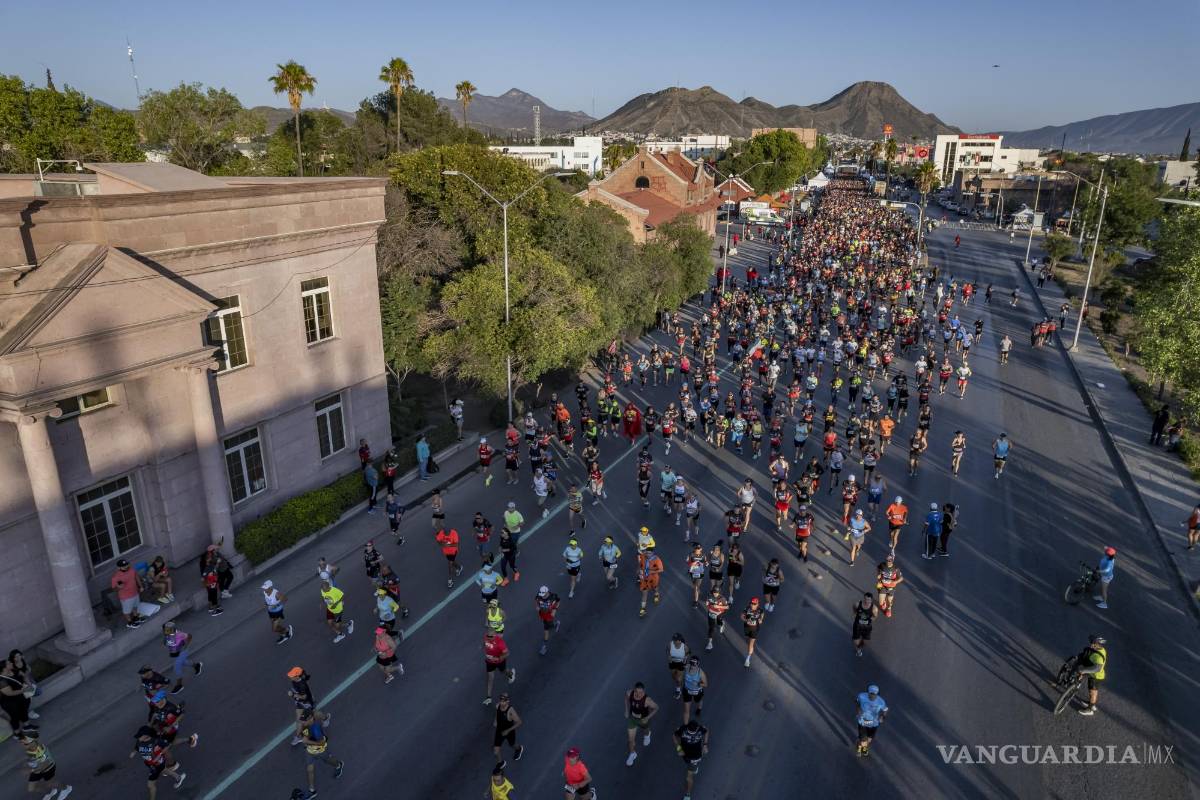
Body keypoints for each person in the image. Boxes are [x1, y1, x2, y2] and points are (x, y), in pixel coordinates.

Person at [130, 725, 186, 799]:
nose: (138, 737)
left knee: (150, 785)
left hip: (157, 764)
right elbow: (137, 747)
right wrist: (134, 752)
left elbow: (167, 746)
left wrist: (159, 755)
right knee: (163, 771)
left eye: (140, 736)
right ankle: (178, 778)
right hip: (149, 763)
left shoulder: (156, 741)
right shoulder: (139, 741)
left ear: (146, 736)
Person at [297, 709, 344, 797]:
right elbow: (301, 734)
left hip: (320, 750)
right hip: (309, 751)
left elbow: (322, 742)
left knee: (328, 760)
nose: (302, 722)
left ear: (310, 719)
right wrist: (301, 735)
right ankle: (312, 790)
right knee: (310, 770)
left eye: (304, 720)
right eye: (302, 720)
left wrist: (307, 742)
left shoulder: (316, 729)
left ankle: (339, 764)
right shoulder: (304, 724)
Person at [18, 729, 72, 799]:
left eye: (25, 743)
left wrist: (30, 770)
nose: (23, 745)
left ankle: (66, 789)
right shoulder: (31, 749)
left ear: (32, 742)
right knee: (32, 788)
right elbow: (31, 759)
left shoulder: (39, 751)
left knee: (51, 783)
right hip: (37, 768)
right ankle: (50, 792)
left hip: (48, 768)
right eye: (22, 743)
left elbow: (45, 764)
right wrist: (27, 765)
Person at [673, 718, 709, 800]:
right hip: (685, 754)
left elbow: (706, 731)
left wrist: (705, 744)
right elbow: (674, 736)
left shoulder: (698, 728)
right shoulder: (683, 729)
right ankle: (695, 767)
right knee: (689, 765)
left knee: (688, 778)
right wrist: (679, 748)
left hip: (695, 757)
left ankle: (687, 794)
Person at [624, 682, 659, 766]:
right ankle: (632, 754)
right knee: (630, 740)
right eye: (636, 692)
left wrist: (647, 718)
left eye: (641, 692)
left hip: (643, 720)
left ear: (644, 691)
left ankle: (647, 735)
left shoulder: (647, 700)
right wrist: (626, 710)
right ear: (634, 690)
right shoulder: (629, 693)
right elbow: (625, 697)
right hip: (632, 719)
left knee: (646, 730)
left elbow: (656, 707)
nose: (639, 694)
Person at [161, 622, 202, 694]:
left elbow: (189, 636)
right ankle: (197, 665)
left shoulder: (179, 634)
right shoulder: (168, 634)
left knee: (177, 667)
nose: (165, 631)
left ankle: (179, 685)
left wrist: (185, 646)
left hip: (182, 652)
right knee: (184, 662)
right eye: (164, 630)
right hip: (176, 653)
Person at [1075, 634, 1108, 716]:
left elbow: (1097, 669)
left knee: (1093, 692)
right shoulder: (1101, 649)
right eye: (1092, 643)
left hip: (1096, 676)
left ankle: (1090, 710)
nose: (1091, 645)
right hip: (1093, 674)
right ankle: (1091, 704)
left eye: (1094, 644)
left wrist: (1083, 670)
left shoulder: (1099, 657)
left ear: (1098, 644)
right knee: (1092, 691)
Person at [483, 632, 517, 704]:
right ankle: (489, 697)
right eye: (487, 636)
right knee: (490, 678)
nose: (488, 637)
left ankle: (511, 674)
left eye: (490, 636)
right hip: (489, 662)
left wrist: (498, 658)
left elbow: (507, 653)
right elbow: (485, 645)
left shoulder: (500, 642)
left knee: (504, 671)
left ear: (494, 635)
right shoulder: (486, 637)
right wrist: (488, 653)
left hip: (499, 662)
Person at [855, 685, 888, 756]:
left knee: (869, 739)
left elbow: (885, 710)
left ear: (877, 694)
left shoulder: (881, 702)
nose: (872, 696)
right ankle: (860, 749)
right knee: (864, 738)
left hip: (874, 723)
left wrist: (882, 717)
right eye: (871, 693)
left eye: (874, 694)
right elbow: (857, 702)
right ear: (868, 692)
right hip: (862, 721)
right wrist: (858, 710)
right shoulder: (862, 696)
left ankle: (860, 743)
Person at [111, 558, 144, 629]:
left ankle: (135, 618)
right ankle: (129, 622)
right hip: (126, 597)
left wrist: (141, 586)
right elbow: (114, 589)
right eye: (123, 566)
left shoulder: (132, 570)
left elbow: (136, 577)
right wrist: (119, 587)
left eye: (126, 565)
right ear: (119, 567)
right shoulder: (116, 577)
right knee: (127, 611)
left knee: (135, 606)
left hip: (135, 593)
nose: (126, 567)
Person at [492, 694, 524, 767]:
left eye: (503, 701)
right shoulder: (498, 706)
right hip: (499, 731)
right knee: (496, 751)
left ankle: (519, 749)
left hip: (509, 732)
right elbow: (498, 714)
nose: (501, 703)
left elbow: (519, 722)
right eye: (500, 701)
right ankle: (501, 763)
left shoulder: (510, 711)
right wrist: (495, 721)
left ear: (507, 702)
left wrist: (508, 731)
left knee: (512, 744)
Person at [319, 579, 354, 644]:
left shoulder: (335, 591)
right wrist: (321, 602)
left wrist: (336, 603)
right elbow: (323, 596)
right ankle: (341, 635)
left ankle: (349, 624)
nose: (323, 591)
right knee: (330, 624)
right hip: (329, 609)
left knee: (338, 626)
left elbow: (343, 596)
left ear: (328, 587)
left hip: (338, 611)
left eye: (324, 590)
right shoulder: (323, 590)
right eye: (322, 590)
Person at [261, 580, 294, 645]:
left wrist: (276, 605)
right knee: (276, 626)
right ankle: (284, 635)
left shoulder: (276, 594)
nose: (264, 589)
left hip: (277, 612)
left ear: (270, 587)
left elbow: (285, 599)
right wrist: (266, 604)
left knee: (274, 629)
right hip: (270, 611)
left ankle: (287, 630)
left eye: (265, 588)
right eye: (264, 587)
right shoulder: (265, 592)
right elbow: (267, 600)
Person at [638, 544, 664, 618]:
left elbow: (661, 569)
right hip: (644, 578)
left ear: (652, 553)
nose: (647, 554)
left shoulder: (657, 559)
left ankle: (656, 594)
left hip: (653, 578)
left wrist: (651, 572)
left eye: (649, 553)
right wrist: (638, 569)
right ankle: (643, 609)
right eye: (646, 552)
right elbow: (640, 564)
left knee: (655, 587)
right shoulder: (643, 556)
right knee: (644, 593)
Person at [875, 553, 904, 618]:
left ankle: (889, 609)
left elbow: (901, 578)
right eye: (887, 560)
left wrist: (896, 582)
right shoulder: (882, 565)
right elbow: (878, 567)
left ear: (892, 561)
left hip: (891, 587)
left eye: (890, 561)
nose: (888, 562)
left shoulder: (896, 569)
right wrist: (878, 574)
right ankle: (884, 602)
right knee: (880, 603)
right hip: (882, 586)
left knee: (890, 600)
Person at [680, 656, 707, 724]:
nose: (692, 667)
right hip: (687, 690)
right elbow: (682, 667)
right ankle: (685, 727)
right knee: (686, 710)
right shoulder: (687, 667)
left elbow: (706, 684)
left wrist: (698, 684)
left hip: (697, 691)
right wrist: (683, 661)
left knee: (698, 701)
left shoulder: (701, 673)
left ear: (698, 665)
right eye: (691, 664)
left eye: (694, 665)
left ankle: (699, 708)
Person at [535, 586, 561, 655]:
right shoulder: (539, 595)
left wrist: (555, 609)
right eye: (541, 594)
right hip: (542, 614)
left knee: (546, 630)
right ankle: (556, 624)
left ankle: (544, 647)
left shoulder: (553, 596)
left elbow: (558, 602)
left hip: (549, 615)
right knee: (550, 625)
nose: (542, 596)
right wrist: (537, 606)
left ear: (547, 592)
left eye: (543, 594)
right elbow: (536, 601)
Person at [703, 586, 729, 651]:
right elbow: (707, 602)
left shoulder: (722, 598)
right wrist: (707, 603)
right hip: (711, 613)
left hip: (719, 613)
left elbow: (727, 607)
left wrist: (717, 606)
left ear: (719, 592)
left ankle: (722, 624)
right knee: (711, 628)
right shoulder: (710, 595)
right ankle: (710, 643)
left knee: (718, 622)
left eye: (716, 592)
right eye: (714, 592)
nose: (715, 594)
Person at [741, 597, 765, 668]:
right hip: (747, 628)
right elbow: (741, 616)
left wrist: (761, 620)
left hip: (755, 629)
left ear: (757, 604)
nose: (752, 605)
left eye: (754, 604)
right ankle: (750, 648)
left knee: (751, 644)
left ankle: (748, 659)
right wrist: (746, 620)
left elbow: (762, 616)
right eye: (751, 603)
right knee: (747, 640)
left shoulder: (760, 610)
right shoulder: (747, 608)